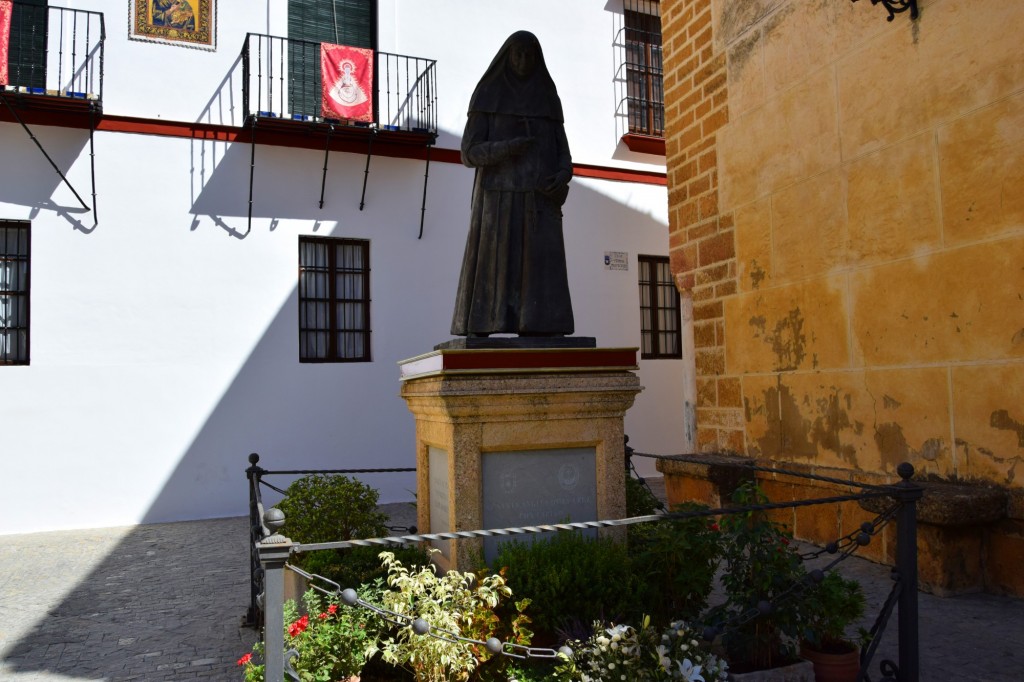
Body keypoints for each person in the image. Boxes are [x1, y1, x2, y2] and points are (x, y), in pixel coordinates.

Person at [450, 31, 574, 338]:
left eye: (530, 55)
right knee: (495, 271)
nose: (523, 60)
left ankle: (540, 325)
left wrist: (563, 174)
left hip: (539, 200)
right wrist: (508, 148)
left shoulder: (547, 97)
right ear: (507, 56)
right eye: (518, 54)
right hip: (498, 199)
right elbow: (468, 153)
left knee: (538, 277)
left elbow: (564, 154)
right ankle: (483, 324)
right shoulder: (488, 94)